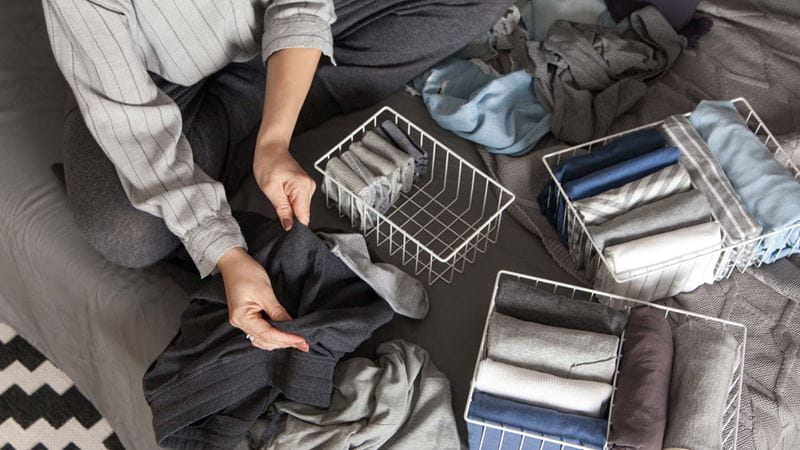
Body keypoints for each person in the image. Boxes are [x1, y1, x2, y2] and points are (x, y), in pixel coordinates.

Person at [43, 0, 509, 353]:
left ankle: (263, 108)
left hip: (280, 27)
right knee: (127, 230)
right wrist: (222, 251)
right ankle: (276, 100)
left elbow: (301, 4)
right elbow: (131, 124)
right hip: (149, 86)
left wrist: (274, 140)